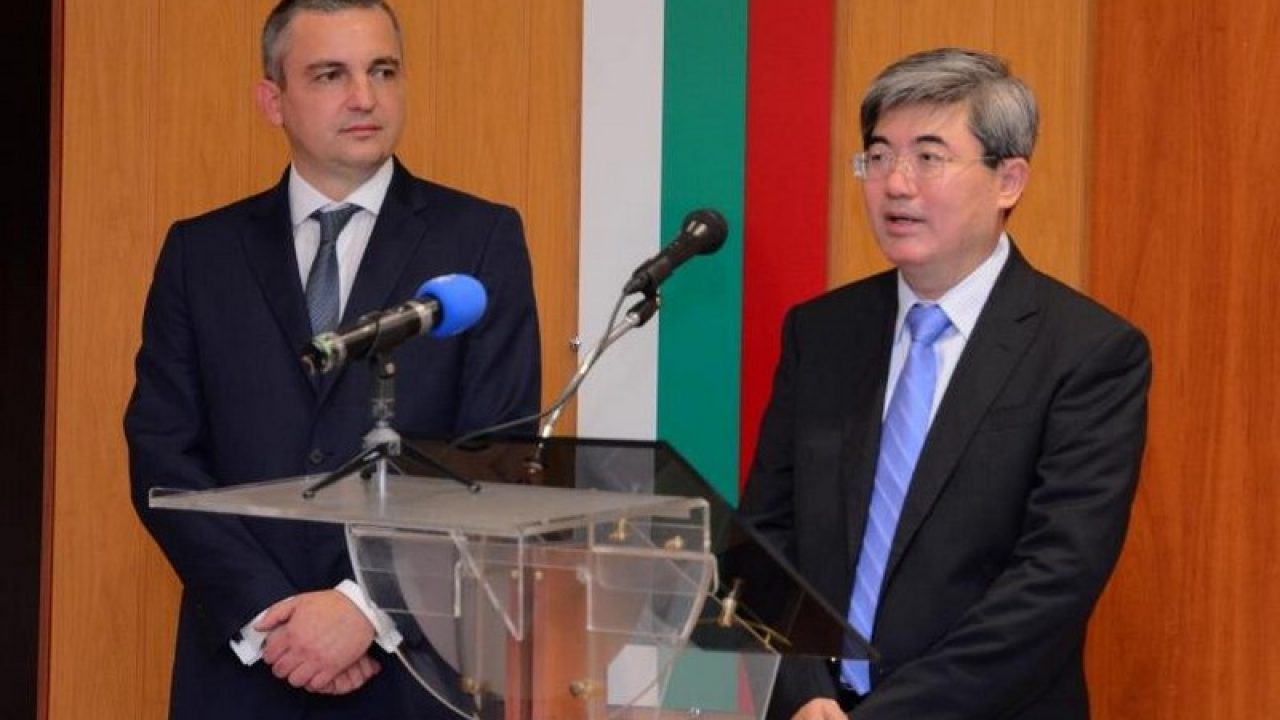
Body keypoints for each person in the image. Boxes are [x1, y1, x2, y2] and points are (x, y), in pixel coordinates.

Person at [124, 1, 541, 717]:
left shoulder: (480, 240)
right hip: (245, 669)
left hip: (415, 671)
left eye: (383, 71)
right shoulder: (201, 253)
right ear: (272, 100)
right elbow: (163, 452)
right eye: (329, 75)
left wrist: (364, 605)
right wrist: (269, 616)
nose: (364, 97)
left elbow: (494, 455)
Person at [738, 48, 1151, 719]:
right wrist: (806, 690)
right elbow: (766, 535)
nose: (896, 184)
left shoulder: (1087, 353)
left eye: (928, 157)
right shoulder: (823, 333)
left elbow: (1053, 582)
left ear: (1008, 180)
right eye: (878, 156)